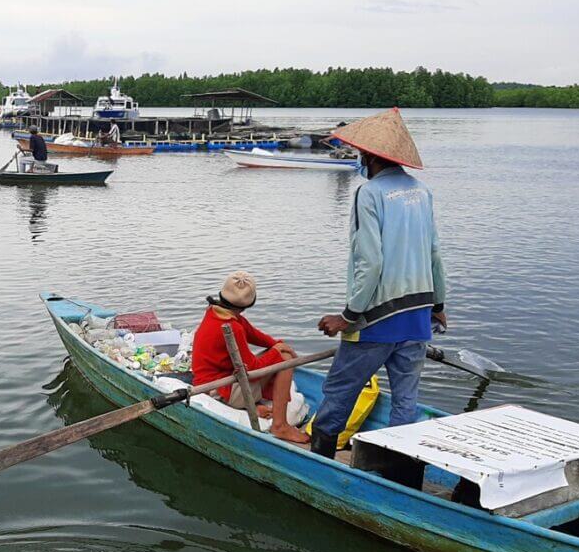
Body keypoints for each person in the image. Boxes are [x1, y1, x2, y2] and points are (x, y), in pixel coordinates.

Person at [310, 108, 447, 466]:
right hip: (418, 317)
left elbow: (370, 263)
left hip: (377, 319)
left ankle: (320, 461)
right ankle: (397, 472)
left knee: (340, 391)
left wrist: (347, 316)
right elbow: (434, 253)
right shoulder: (422, 192)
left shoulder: (369, 193)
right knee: (405, 400)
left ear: (369, 156)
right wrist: (438, 305)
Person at [191, 271, 310, 444]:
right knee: (285, 361)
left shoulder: (217, 313)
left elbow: (256, 335)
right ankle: (280, 425)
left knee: (281, 353)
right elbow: (252, 368)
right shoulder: (231, 326)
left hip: (217, 382)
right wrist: (279, 352)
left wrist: (279, 345)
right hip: (219, 388)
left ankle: (255, 408)